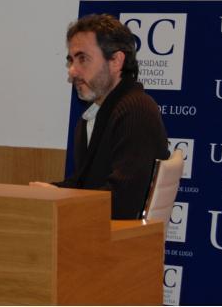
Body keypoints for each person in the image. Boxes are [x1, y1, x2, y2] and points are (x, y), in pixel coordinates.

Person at [32, 14, 169, 219]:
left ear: (116, 61)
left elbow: (121, 203)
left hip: (115, 236)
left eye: (83, 59)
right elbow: (84, 185)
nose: (72, 71)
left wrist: (60, 199)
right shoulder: (96, 114)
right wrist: (49, 192)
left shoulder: (136, 111)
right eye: (71, 60)